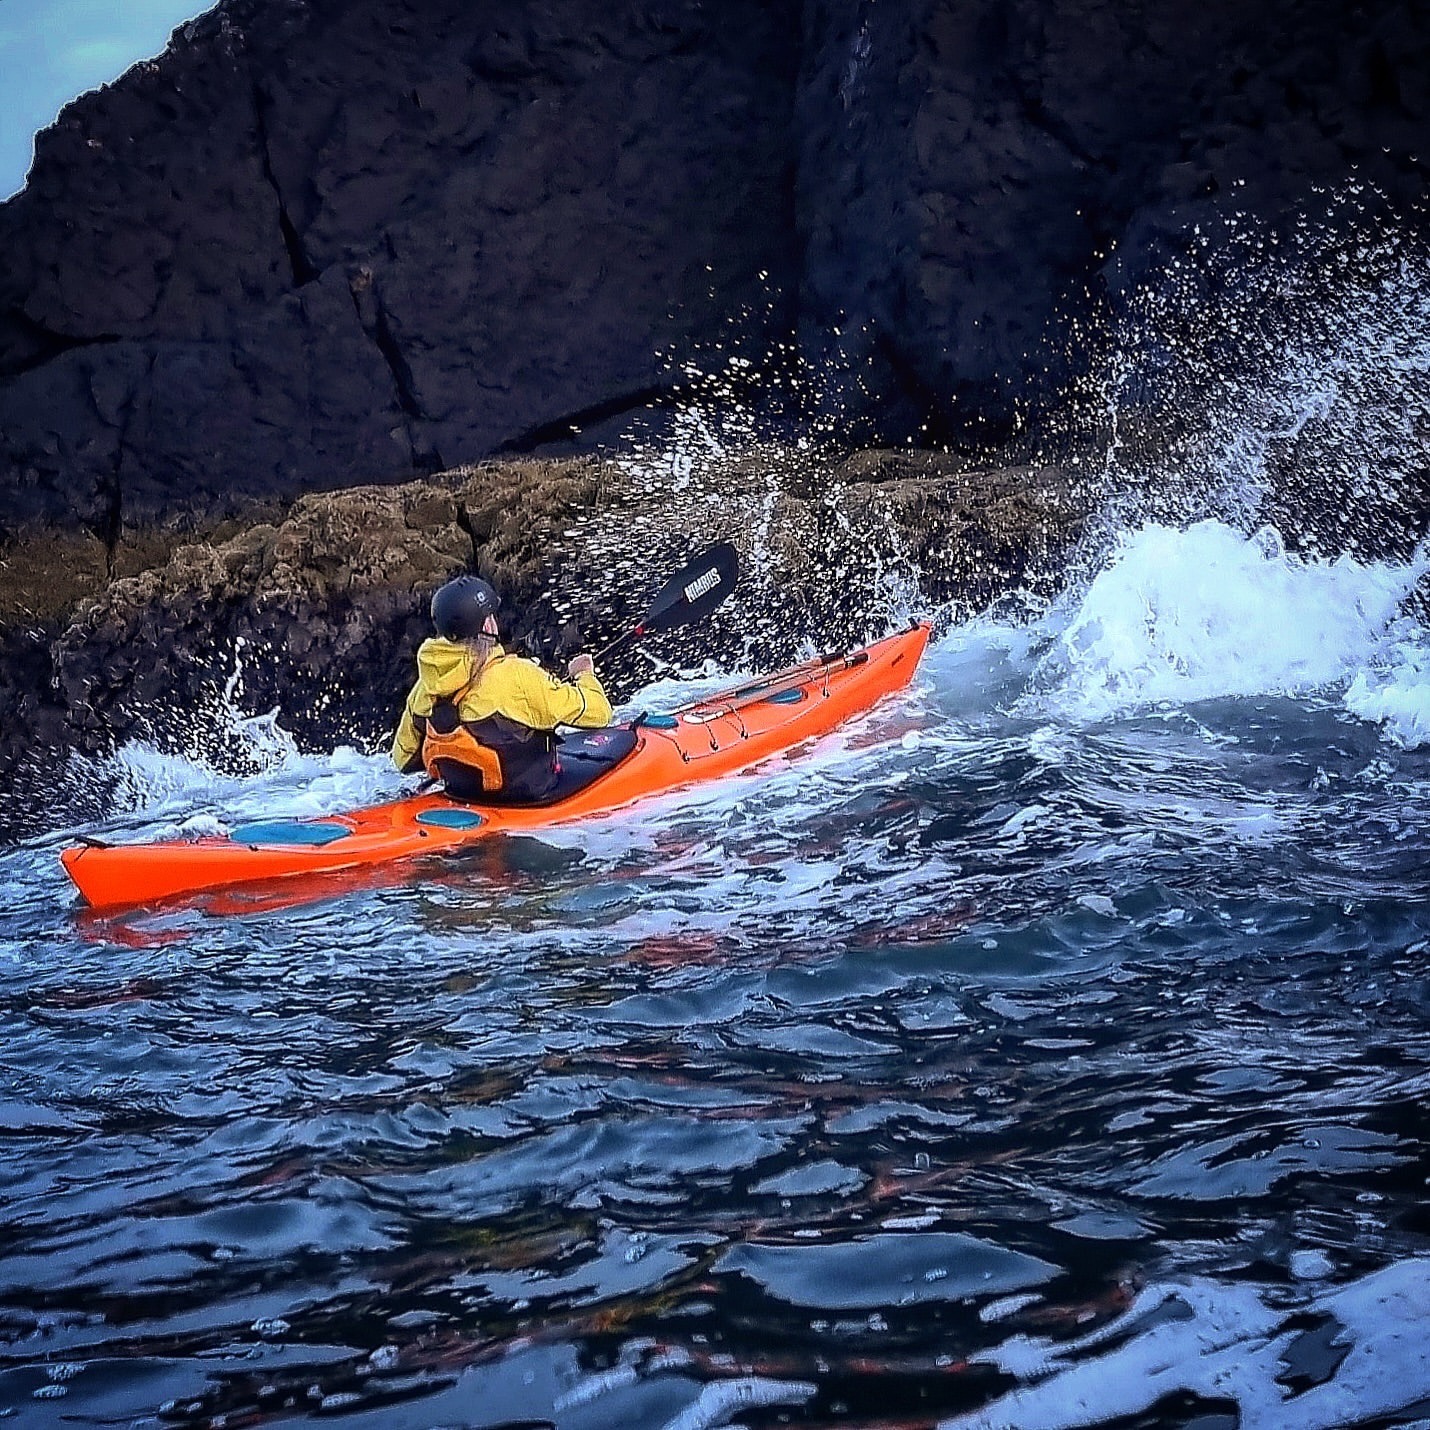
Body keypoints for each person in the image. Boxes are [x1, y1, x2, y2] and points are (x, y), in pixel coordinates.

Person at [391, 575, 612, 803]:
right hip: (531, 799)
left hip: (462, 795)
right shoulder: (516, 676)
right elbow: (600, 713)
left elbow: (403, 761)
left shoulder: (425, 688)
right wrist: (584, 674)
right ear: (487, 625)